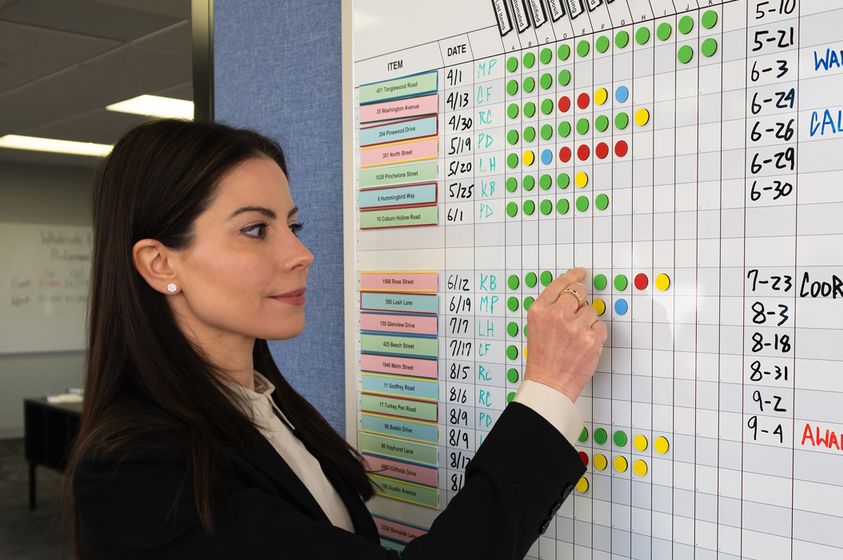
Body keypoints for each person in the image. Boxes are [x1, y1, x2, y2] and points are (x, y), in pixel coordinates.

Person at [66, 120, 608, 559]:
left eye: (292, 226)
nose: (300, 254)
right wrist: (548, 387)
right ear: (160, 264)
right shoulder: (133, 472)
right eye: (255, 229)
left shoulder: (265, 411)